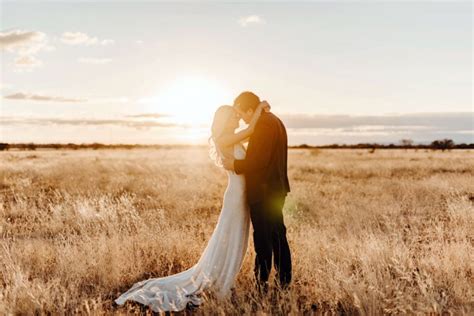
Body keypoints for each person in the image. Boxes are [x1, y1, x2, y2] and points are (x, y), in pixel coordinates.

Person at [114, 101, 270, 313]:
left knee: (236, 241)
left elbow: (254, 138)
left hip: (242, 196)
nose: (237, 118)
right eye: (233, 115)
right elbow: (251, 130)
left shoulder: (233, 138)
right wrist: (259, 109)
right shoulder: (223, 138)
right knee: (230, 240)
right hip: (235, 197)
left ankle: (225, 278)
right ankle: (218, 282)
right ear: (225, 120)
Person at [222, 91, 292, 292]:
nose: (242, 119)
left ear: (250, 110)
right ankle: (282, 282)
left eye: (241, 113)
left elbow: (258, 161)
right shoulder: (272, 120)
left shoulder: (264, 124)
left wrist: (233, 163)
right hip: (273, 188)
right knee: (276, 234)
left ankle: (263, 284)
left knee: (264, 237)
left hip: (264, 191)